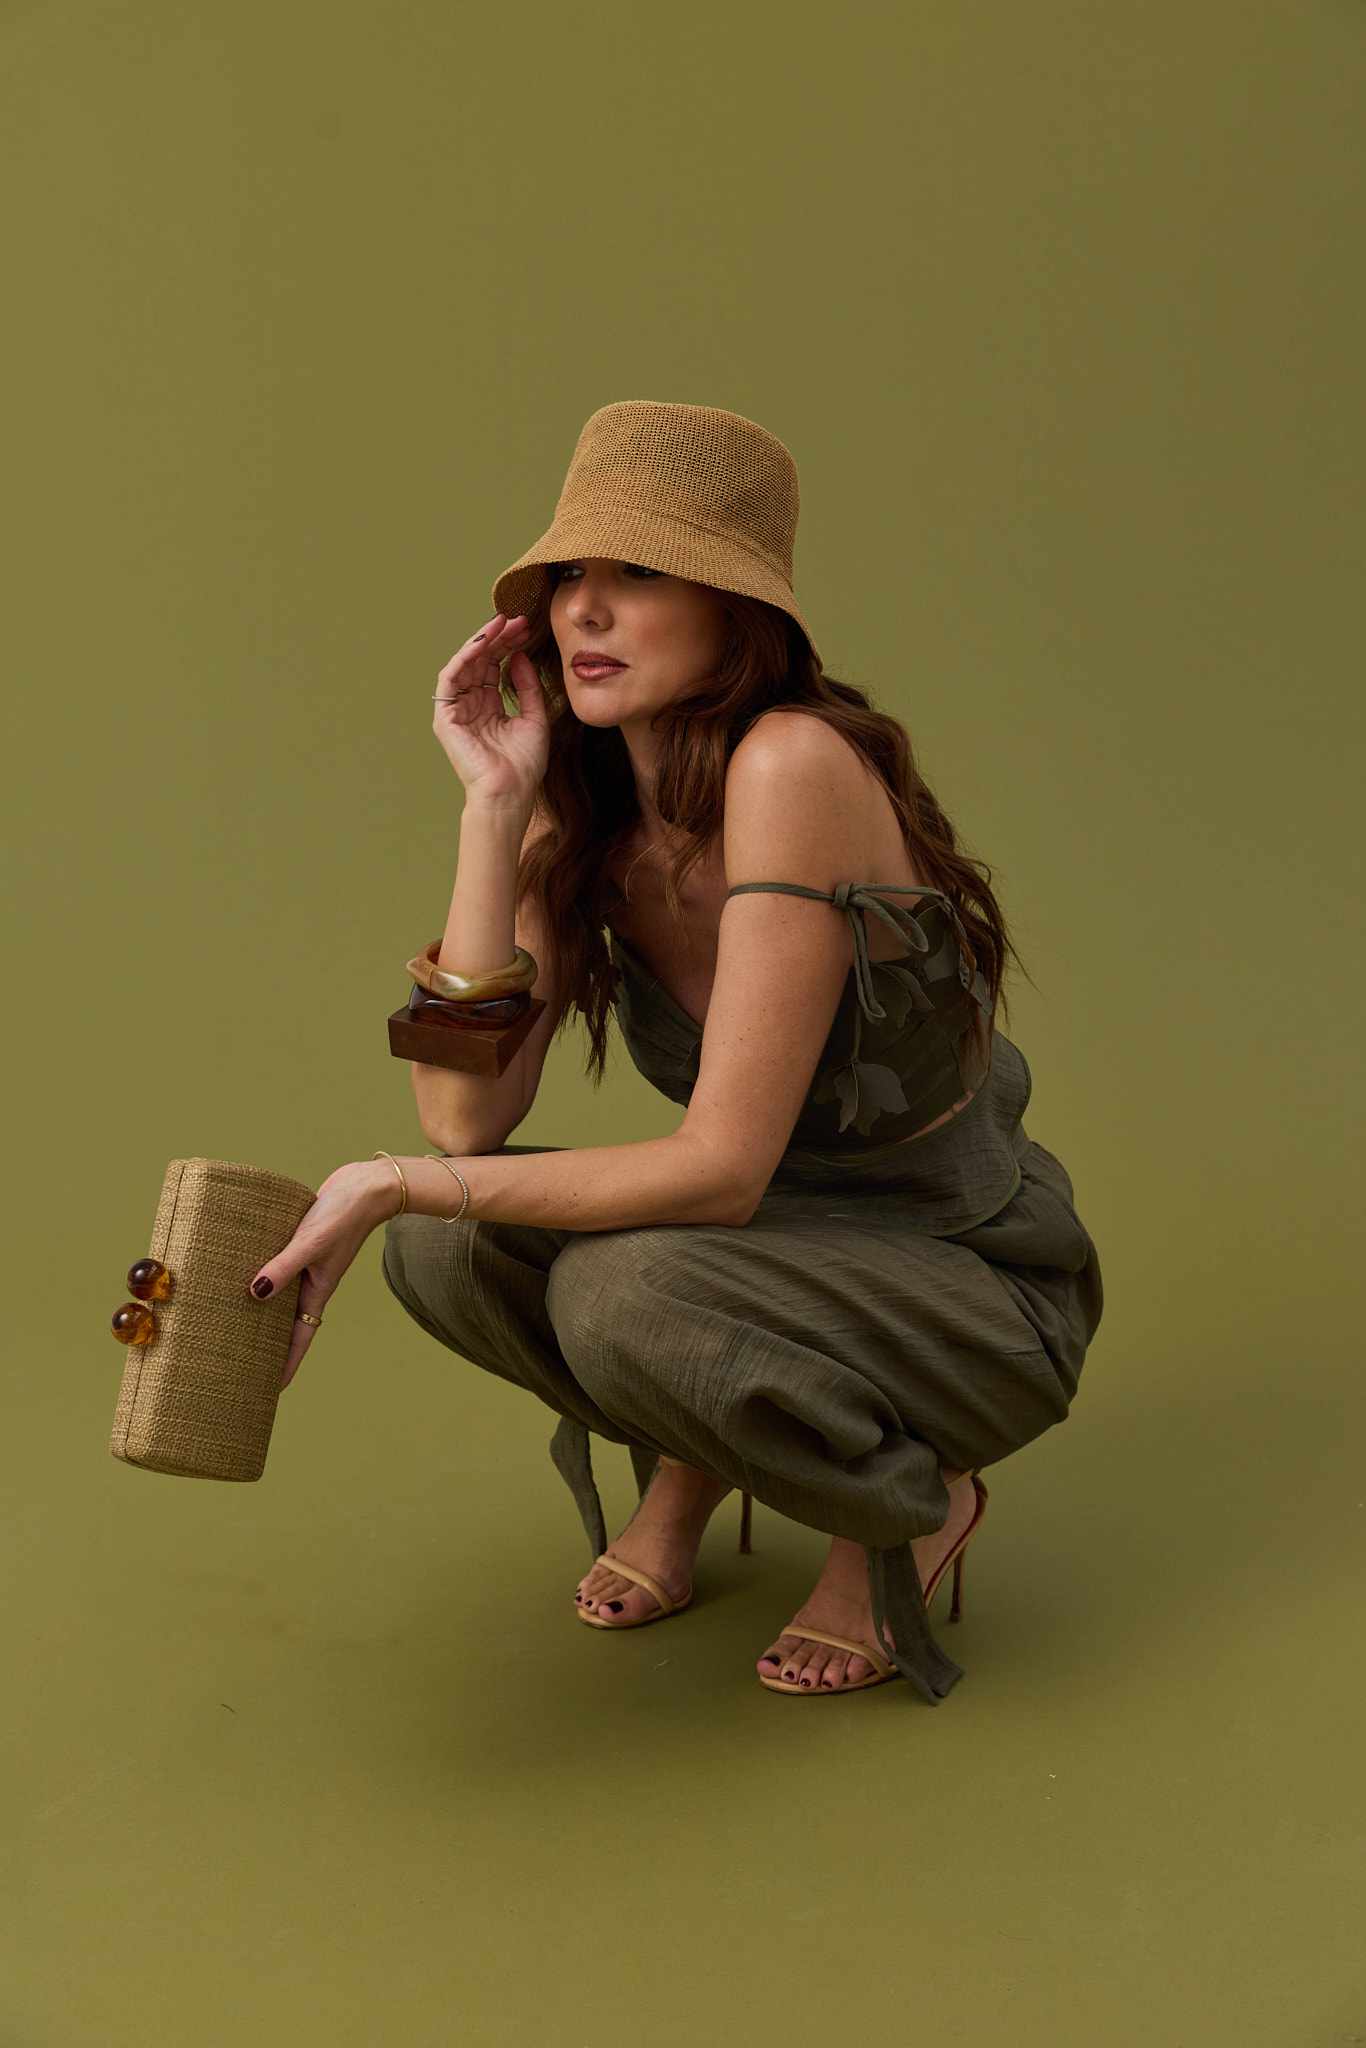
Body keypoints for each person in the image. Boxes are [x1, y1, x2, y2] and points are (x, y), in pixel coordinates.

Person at [253, 400, 1104, 1705]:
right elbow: (462, 1125)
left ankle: (909, 1500)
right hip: (756, 1257)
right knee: (446, 1245)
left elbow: (718, 1169)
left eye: (640, 573)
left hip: (961, 1283)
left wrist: (384, 1183)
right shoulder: (586, 816)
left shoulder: (792, 763)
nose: (585, 610)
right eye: (568, 578)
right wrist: (494, 809)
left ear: (734, 612)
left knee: (615, 1289)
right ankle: (694, 1454)